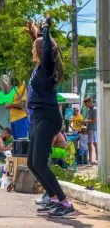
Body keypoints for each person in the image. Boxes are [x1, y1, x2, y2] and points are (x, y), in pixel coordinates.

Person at [26, 15, 75, 218]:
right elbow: (40, 46)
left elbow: (46, 48)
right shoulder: (39, 67)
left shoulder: (47, 66)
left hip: (48, 116)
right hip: (38, 117)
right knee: (31, 163)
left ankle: (65, 203)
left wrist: (45, 28)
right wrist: (34, 33)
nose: (32, 50)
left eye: (34, 47)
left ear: (39, 52)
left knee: (40, 163)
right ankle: (53, 198)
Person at [83, 97, 98, 164]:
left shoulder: (94, 109)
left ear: (89, 102)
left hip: (92, 128)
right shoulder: (90, 109)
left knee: (91, 143)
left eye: (86, 104)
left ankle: (91, 159)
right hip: (91, 128)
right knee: (94, 143)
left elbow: (94, 120)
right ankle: (95, 158)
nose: (86, 106)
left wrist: (85, 121)